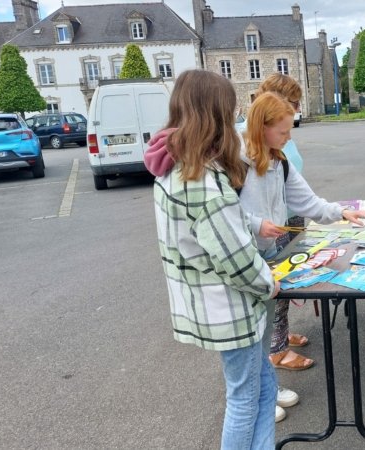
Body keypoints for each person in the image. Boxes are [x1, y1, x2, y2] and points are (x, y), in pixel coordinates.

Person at [151, 69, 279, 449]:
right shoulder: (203, 181)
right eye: (231, 111)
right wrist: (270, 283)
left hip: (213, 306)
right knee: (245, 399)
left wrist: (254, 224)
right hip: (231, 309)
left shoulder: (177, 169)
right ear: (216, 115)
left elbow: (221, 226)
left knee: (263, 387)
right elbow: (237, 259)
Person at [237, 73, 309, 421]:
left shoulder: (277, 159)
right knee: (248, 343)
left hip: (265, 250)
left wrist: (343, 211)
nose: (289, 135)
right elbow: (218, 210)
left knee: (262, 333)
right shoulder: (234, 159)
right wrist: (255, 224)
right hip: (242, 258)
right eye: (284, 128)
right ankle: (259, 400)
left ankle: (266, 395)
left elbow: (305, 198)